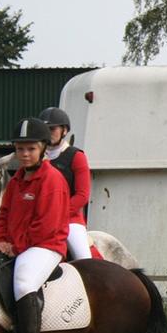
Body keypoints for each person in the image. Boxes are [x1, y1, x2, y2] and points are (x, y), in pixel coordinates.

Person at [0, 118, 70, 333]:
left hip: (45, 246)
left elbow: (46, 224)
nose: (25, 154)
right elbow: (3, 215)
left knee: (24, 282)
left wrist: (16, 246)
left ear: (43, 148)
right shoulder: (16, 181)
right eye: (20, 149)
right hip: (16, 245)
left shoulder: (52, 180)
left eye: (31, 149)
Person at [39, 106, 96, 261]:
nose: (48, 133)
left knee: (83, 257)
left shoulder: (76, 156)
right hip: (39, 219)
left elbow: (82, 195)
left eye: (52, 129)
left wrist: (56, 213)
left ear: (64, 131)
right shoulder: (35, 158)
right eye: (45, 129)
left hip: (69, 220)